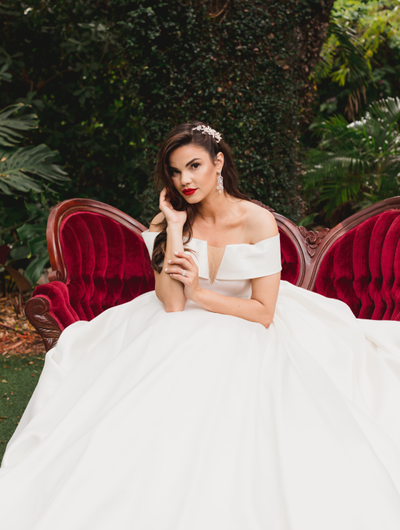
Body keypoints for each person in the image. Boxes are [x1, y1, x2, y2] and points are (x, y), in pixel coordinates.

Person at [1, 121, 400, 530]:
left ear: (219, 162)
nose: (185, 180)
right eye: (175, 172)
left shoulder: (255, 221)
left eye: (194, 166)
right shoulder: (168, 222)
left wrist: (201, 294)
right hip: (178, 320)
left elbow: (263, 312)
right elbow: (172, 305)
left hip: (249, 320)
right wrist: (173, 229)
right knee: (168, 354)